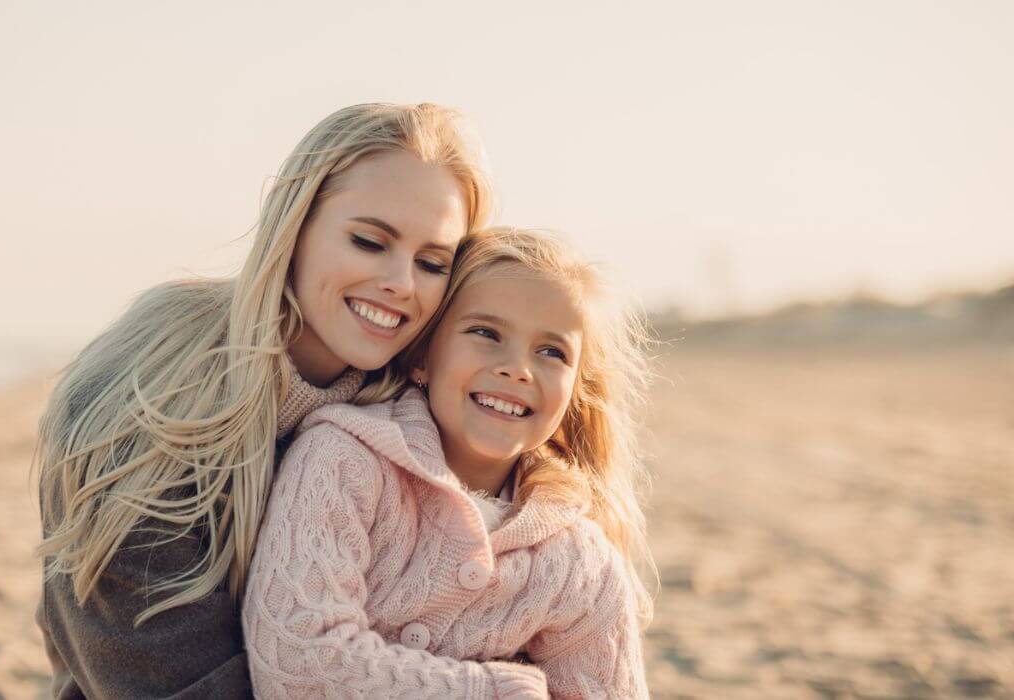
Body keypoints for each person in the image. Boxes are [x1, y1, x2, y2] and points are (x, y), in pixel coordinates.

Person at [33, 103, 493, 698]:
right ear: (294, 225)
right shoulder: (148, 396)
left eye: (432, 263)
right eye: (369, 241)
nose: (402, 284)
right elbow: (162, 678)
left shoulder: (413, 408)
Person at [243, 227, 656, 698]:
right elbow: (297, 663)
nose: (518, 368)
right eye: (486, 333)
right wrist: (493, 691)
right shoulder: (343, 459)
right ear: (423, 357)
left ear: (576, 391)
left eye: (551, 352)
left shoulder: (580, 563)